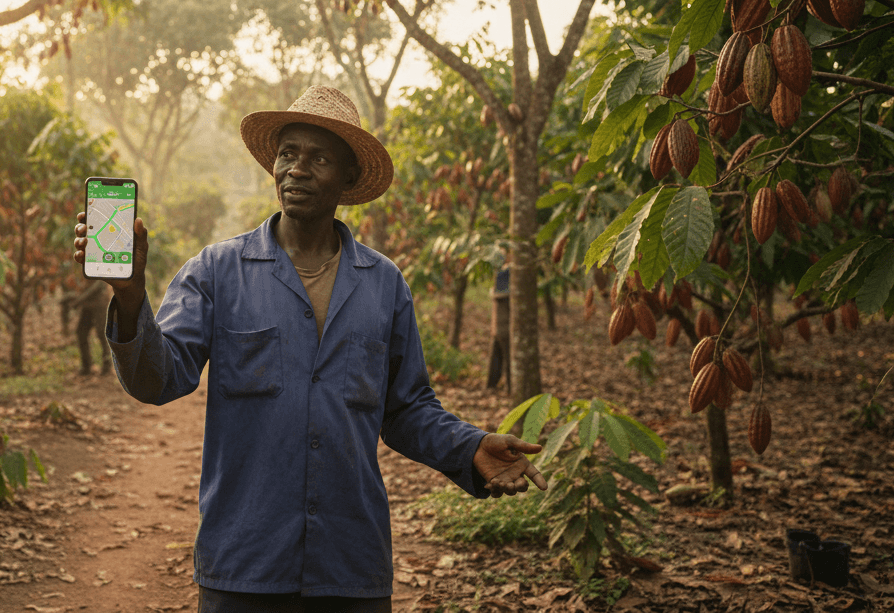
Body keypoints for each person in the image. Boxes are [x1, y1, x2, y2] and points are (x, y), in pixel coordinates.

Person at [73, 87, 547, 613]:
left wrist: (470, 448)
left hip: (350, 563)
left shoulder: (383, 283)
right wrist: (131, 292)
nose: (296, 170)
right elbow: (157, 380)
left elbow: (406, 409)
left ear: (348, 178)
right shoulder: (216, 272)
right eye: (288, 154)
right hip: (244, 562)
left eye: (318, 157)